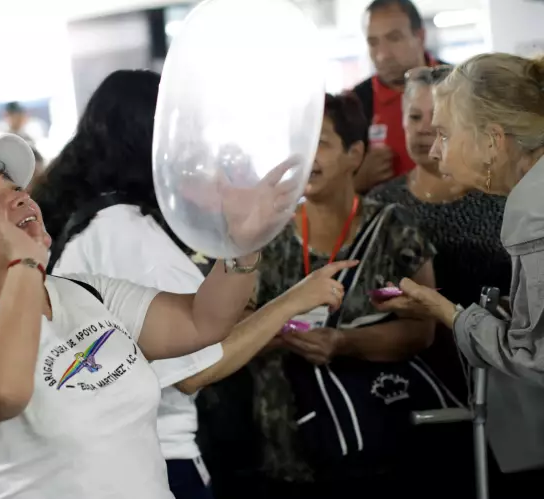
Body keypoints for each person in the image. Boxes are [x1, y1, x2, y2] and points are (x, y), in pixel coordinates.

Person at [0, 131, 302, 498]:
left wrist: (244, 245)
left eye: (15, 188)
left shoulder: (83, 291)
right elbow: (2, 393)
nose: (18, 198)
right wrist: (25, 267)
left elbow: (202, 321)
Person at [33, 70, 355, 499]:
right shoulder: (125, 230)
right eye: (182, 135)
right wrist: (292, 301)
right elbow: (196, 366)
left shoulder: (99, 222)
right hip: (155, 460)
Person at [198, 93, 443, 499]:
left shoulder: (394, 228)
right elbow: (223, 327)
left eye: (320, 143)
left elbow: (423, 329)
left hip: (374, 440)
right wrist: (277, 331)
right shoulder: (263, 234)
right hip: (278, 447)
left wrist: (344, 342)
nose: (305, 156)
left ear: (355, 153)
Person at [374, 52, 544, 491]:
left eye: (444, 134)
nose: (433, 150)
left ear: (491, 140)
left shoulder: (533, 209)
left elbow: (534, 358)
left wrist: (446, 311)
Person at [353, 0, 447, 193]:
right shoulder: (356, 104)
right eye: (373, 42)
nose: (382, 55)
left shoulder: (459, 86)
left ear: (420, 37)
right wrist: (357, 181)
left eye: (394, 38)